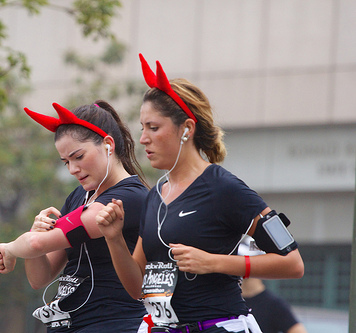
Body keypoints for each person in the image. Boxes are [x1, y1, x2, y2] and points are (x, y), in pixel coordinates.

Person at [96, 54, 304, 333]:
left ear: (187, 129)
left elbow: (292, 263)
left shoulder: (225, 188)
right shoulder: (155, 195)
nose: (143, 138)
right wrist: (114, 239)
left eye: (154, 128)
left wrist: (213, 262)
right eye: (142, 128)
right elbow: (137, 288)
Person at [0, 100, 149, 332]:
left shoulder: (129, 197)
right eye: (66, 162)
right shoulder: (78, 196)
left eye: (78, 157)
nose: (72, 169)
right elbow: (39, 278)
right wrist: (37, 231)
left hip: (112, 323)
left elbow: (34, 244)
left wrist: (11, 248)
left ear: (108, 144)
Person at [239, 237, 308, 333]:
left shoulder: (274, 305)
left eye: (247, 261)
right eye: (240, 261)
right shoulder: (230, 301)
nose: (241, 266)